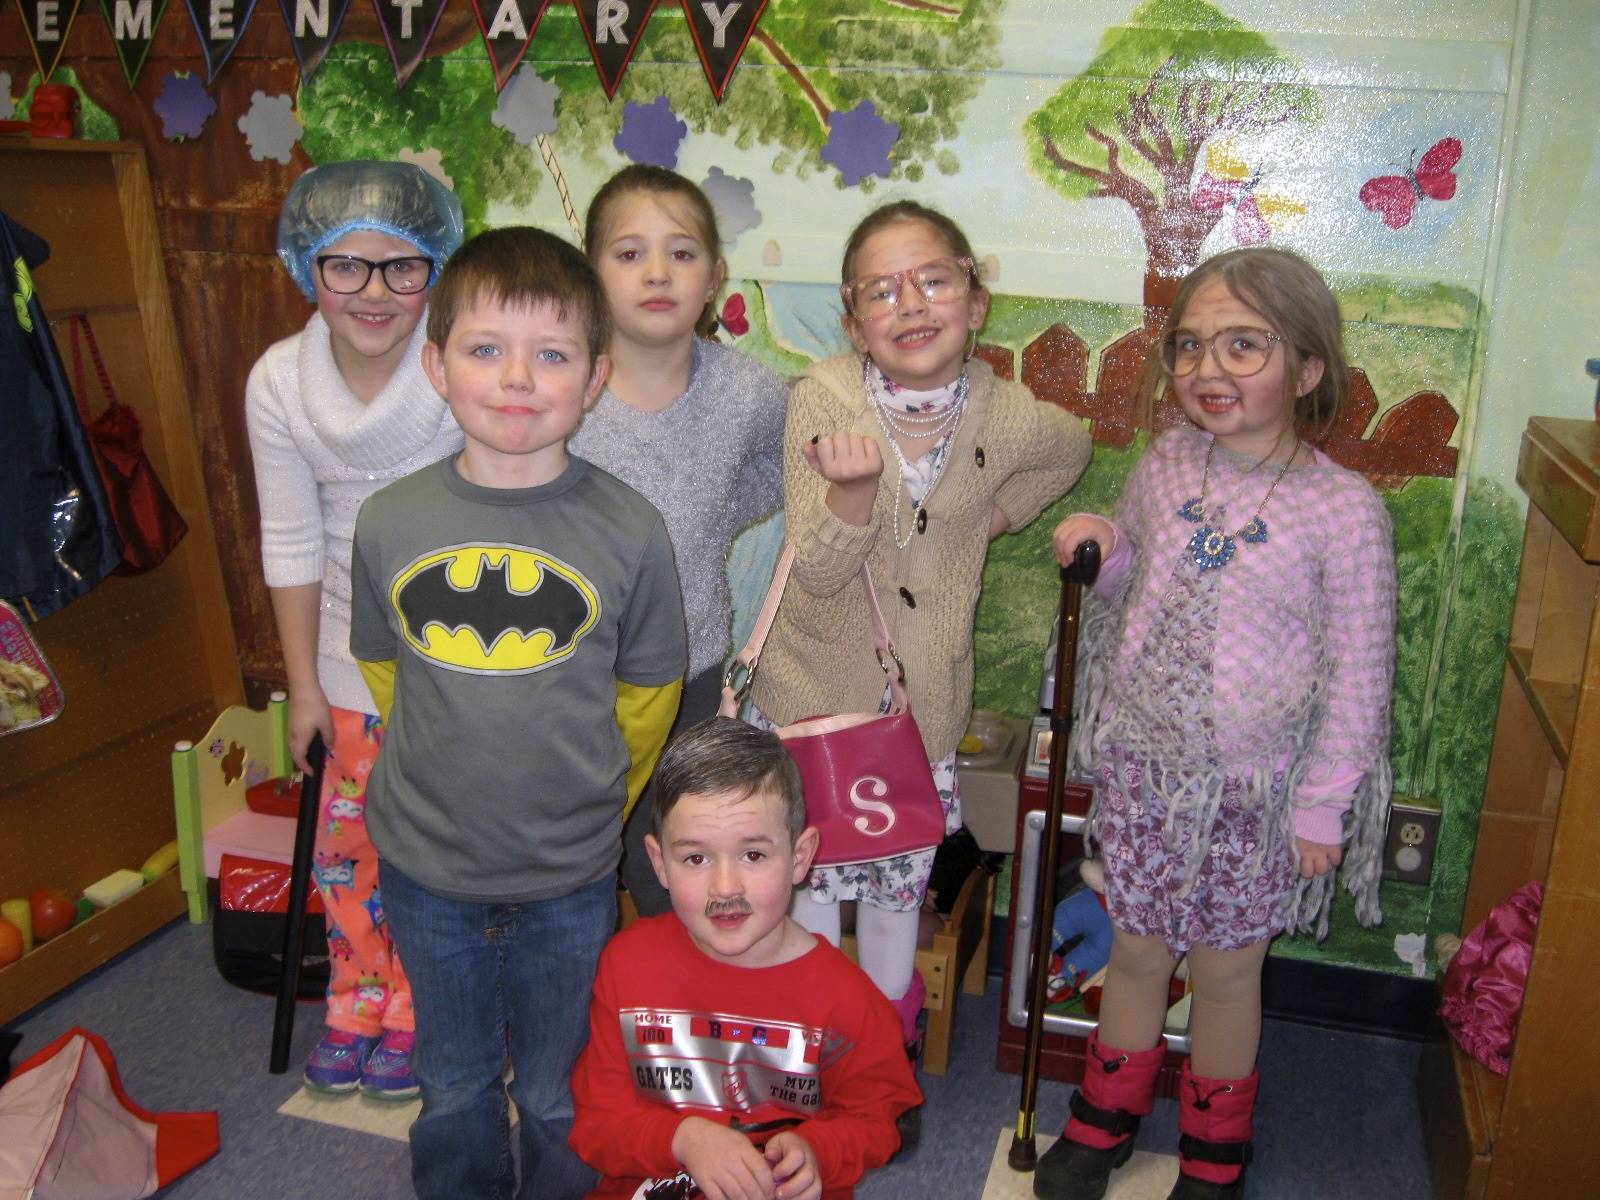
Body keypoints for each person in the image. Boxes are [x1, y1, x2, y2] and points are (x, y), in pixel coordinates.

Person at [1041, 246, 1397, 1200]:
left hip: (1250, 795)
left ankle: (1214, 1149)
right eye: (1191, 346)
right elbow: (1130, 584)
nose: (1210, 369)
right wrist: (1101, 545)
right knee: (1137, 948)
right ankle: (1104, 1119)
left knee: (1229, 972)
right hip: (1147, 774)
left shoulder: (1344, 511)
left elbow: (1361, 675)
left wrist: (1322, 806)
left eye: (1246, 346)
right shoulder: (1165, 464)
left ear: (1309, 369)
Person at [348, 226, 688, 1200]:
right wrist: (444, 755)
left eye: (552, 354)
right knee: (451, 1082)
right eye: (485, 349)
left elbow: (648, 698)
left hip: (566, 877)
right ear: (436, 366)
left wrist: (591, 802)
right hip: (428, 866)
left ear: (592, 380)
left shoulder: (628, 531)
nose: (516, 379)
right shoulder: (392, 522)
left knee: (553, 1088)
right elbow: (383, 668)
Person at [745, 200, 1092, 1139]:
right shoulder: (822, 398)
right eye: (881, 291)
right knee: (814, 894)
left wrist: (995, 516)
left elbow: (1072, 448)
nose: (911, 304)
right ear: (855, 321)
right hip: (814, 695)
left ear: (976, 298)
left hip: (921, 706)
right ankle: (802, 1081)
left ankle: (881, 1077)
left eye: (934, 279)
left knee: (898, 897)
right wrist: (854, 493)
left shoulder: (1008, 409)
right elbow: (817, 571)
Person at [246, 159, 465, 1099]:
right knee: (348, 854)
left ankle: (418, 1009)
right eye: (346, 266)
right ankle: (354, 1001)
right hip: (342, 664)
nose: (374, 293)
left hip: (454, 663)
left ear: (436, 270)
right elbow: (291, 539)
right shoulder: (280, 383)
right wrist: (303, 687)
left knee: (432, 853)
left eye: (402, 267)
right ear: (307, 269)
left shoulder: (461, 366)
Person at [569, 717, 921, 1200]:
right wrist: (683, 1138)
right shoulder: (627, 966)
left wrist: (816, 1151)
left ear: (800, 858)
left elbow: (878, 1120)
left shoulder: (847, 999)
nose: (725, 888)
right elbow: (598, 1124)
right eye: (696, 858)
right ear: (659, 864)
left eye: (753, 855)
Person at [572, 164, 785, 919]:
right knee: (573, 858)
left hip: (687, 672)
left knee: (671, 859)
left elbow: (787, 467)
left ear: (715, 274)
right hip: (566, 673)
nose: (657, 273)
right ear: (591, 270)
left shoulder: (749, 391)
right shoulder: (565, 389)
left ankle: (675, 1012)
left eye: (682, 254)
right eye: (629, 254)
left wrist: (721, 509)